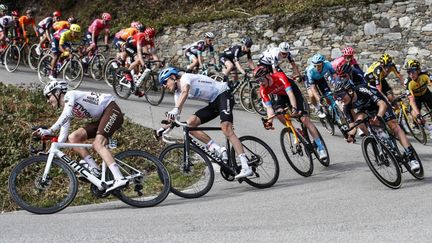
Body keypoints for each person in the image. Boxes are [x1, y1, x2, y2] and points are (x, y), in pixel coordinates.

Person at [157, 67, 253, 179]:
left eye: (165, 82)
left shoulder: (185, 78)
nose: (164, 86)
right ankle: (218, 149)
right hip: (213, 102)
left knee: (226, 128)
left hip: (224, 94)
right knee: (190, 124)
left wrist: (176, 108)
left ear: (173, 77)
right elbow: (175, 115)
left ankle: (246, 166)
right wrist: (163, 129)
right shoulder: (177, 94)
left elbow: (185, 91)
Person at [34, 80, 127, 192]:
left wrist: (49, 130)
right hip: (102, 117)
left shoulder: (70, 95)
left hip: (111, 110)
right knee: (73, 138)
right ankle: (95, 169)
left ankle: (119, 178)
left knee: (98, 144)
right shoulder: (68, 107)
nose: (48, 101)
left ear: (57, 92)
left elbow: (66, 115)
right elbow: (62, 137)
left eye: (48, 96)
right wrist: (50, 151)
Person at [334, 78, 420, 170]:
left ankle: (411, 157)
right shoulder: (346, 106)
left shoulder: (362, 90)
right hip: (364, 109)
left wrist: (379, 116)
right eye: (337, 96)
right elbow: (352, 124)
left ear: (350, 91)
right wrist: (351, 135)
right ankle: (374, 140)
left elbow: (382, 104)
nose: (340, 99)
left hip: (379, 104)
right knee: (359, 122)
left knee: (393, 125)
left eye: (341, 95)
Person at [254, 66, 328, 159]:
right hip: (281, 96)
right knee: (279, 114)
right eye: (257, 81)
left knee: (304, 119)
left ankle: (321, 148)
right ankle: (296, 131)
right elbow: (269, 108)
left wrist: (294, 108)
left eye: (261, 79)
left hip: (293, 91)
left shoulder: (280, 77)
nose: (260, 83)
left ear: (268, 76)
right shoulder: (262, 89)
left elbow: (290, 94)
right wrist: (269, 121)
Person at [122, 27, 159, 97]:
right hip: (129, 46)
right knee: (139, 59)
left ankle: (136, 88)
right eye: (150, 37)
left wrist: (158, 63)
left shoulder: (151, 41)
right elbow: (139, 53)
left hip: (136, 47)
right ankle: (127, 73)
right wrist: (143, 64)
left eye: (153, 37)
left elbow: (153, 54)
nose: (151, 39)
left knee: (145, 60)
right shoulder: (141, 37)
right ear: (146, 35)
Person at [404, 59, 432, 137]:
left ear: (418, 70)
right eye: (408, 72)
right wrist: (418, 114)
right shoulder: (408, 83)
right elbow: (412, 101)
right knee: (415, 114)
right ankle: (428, 128)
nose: (411, 75)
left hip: (425, 93)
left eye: (413, 71)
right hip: (415, 97)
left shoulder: (425, 75)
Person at [304, 53, 337, 118]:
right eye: (315, 66)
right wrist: (319, 99)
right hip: (309, 79)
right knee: (312, 95)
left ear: (323, 63)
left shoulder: (327, 65)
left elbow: (335, 75)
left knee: (328, 94)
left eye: (319, 65)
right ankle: (317, 108)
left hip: (320, 78)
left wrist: (337, 85)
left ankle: (331, 109)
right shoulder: (310, 70)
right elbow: (313, 88)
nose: (317, 68)